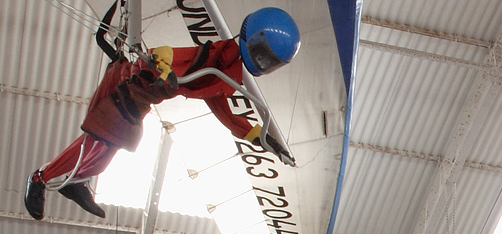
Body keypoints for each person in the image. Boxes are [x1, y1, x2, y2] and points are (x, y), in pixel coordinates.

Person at [25, 7, 300, 221]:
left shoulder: (228, 73)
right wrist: (165, 68)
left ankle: (78, 181)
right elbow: (167, 53)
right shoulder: (216, 55)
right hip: (127, 85)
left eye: (270, 62)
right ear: (252, 38)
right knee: (98, 139)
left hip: (140, 102)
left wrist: (258, 137)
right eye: (263, 55)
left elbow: (222, 110)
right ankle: (39, 179)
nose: (263, 63)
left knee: (115, 142)